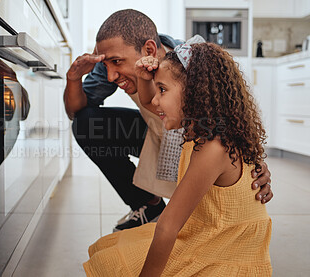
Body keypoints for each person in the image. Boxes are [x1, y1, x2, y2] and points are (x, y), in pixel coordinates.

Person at [64, 9, 273, 232]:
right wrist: (74, 78)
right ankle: (149, 206)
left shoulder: (194, 62)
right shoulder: (112, 67)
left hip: (196, 143)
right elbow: (74, 112)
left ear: (149, 50)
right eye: (106, 65)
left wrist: (253, 159)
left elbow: (235, 113)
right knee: (87, 124)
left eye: (117, 62)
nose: (110, 76)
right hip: (155, 134)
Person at [83, 38, 272, 276]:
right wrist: (144, 76)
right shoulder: (202, 128)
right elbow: (147, 101)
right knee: (107, 248)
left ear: (195, 94)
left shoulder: (213, 148)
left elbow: (167, 226)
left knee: (112, 262)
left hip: (224, 250)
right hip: (207, 232)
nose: (154, 99)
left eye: (162, 90)